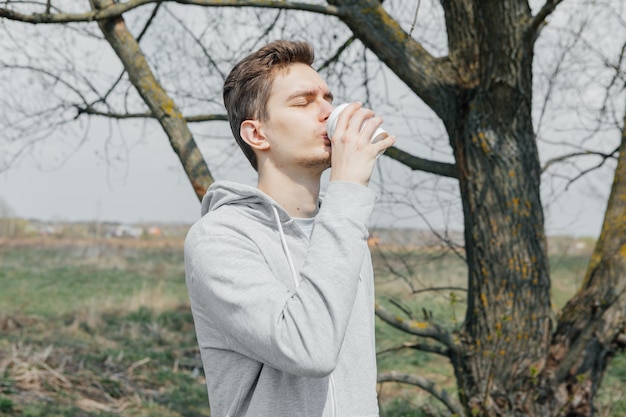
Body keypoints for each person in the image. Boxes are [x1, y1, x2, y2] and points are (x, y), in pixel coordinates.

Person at [184, 39, 396, 417]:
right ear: (257, 135)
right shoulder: (219, 238)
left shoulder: (342, 230)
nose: (328, 112)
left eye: (328, 99)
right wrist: (347, 187)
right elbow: (309, 348)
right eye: (303, 102)